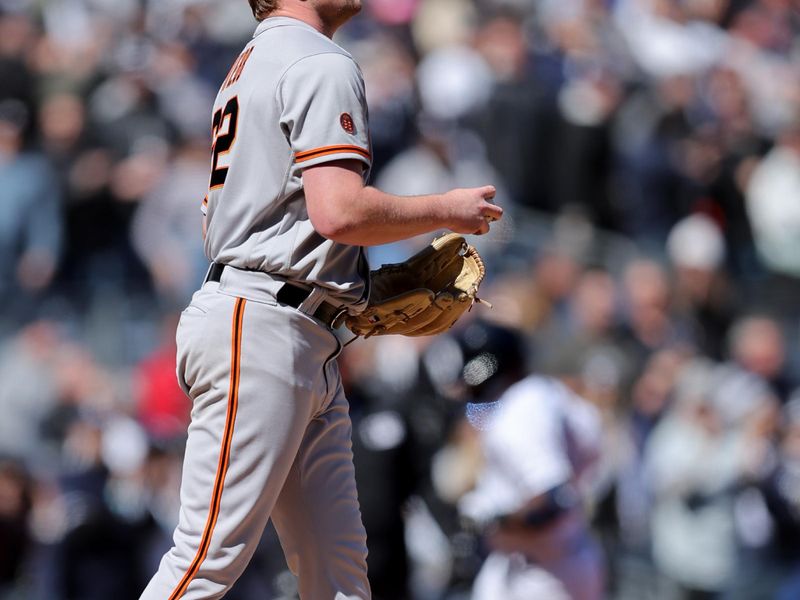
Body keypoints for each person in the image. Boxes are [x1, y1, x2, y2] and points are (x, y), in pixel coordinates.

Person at [139, 1, 502, 599]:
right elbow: (338, 211)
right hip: (263, 325)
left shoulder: (253, 60)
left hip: (301, 328)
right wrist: (447, 208)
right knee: (206, 560)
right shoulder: (316, 59)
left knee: (338, 579)